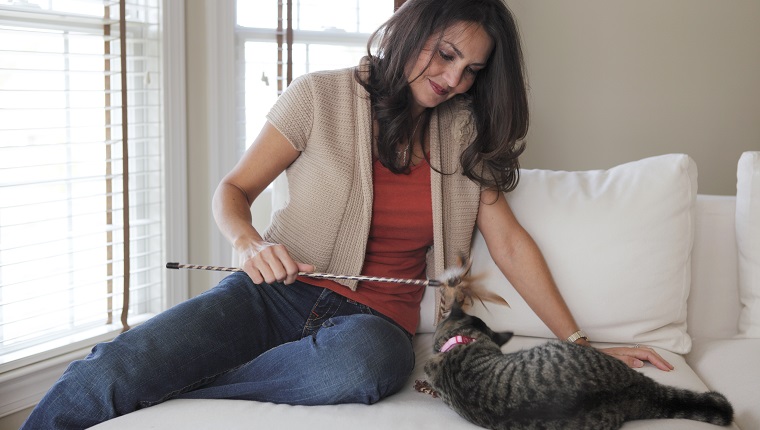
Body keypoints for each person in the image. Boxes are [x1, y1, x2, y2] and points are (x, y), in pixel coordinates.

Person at [21, 0, 673, 428]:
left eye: (471, 70)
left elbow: (510, 244)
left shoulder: (464, 135)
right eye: (446, 54)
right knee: (112, 369)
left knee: (361, 371)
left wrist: (582, 345)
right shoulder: (319, 98)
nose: (453, 80)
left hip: (372, 322)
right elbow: (233, 191)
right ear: (413, 29)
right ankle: (153, 377)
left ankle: (181, 387)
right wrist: (249, 245)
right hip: (269, 295)